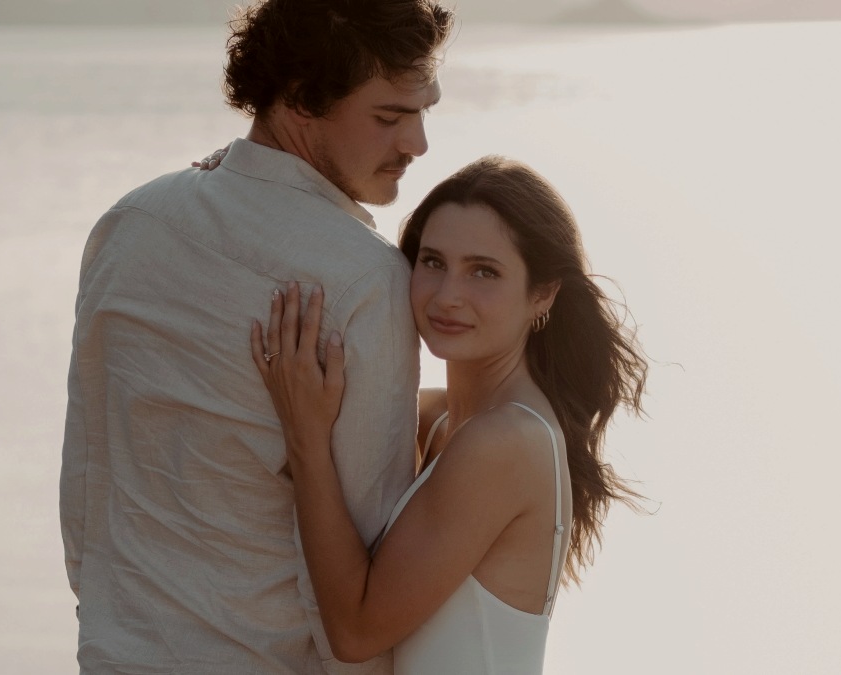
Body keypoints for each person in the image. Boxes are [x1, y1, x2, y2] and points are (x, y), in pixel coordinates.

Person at [59, 1, 454, 673]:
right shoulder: (363, 281)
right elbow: (360, 572)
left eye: (424, 112)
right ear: (299, 100)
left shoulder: (129, 223)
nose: (417, 143)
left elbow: (86, 490)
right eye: (389, 117)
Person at [250, 156, 648, 674]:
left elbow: (355, 632)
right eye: (433, 262)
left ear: (542, 294)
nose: (447, 296)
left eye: (483, 271)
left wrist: (306, 439)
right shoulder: (442, 418)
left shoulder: (506, 441)